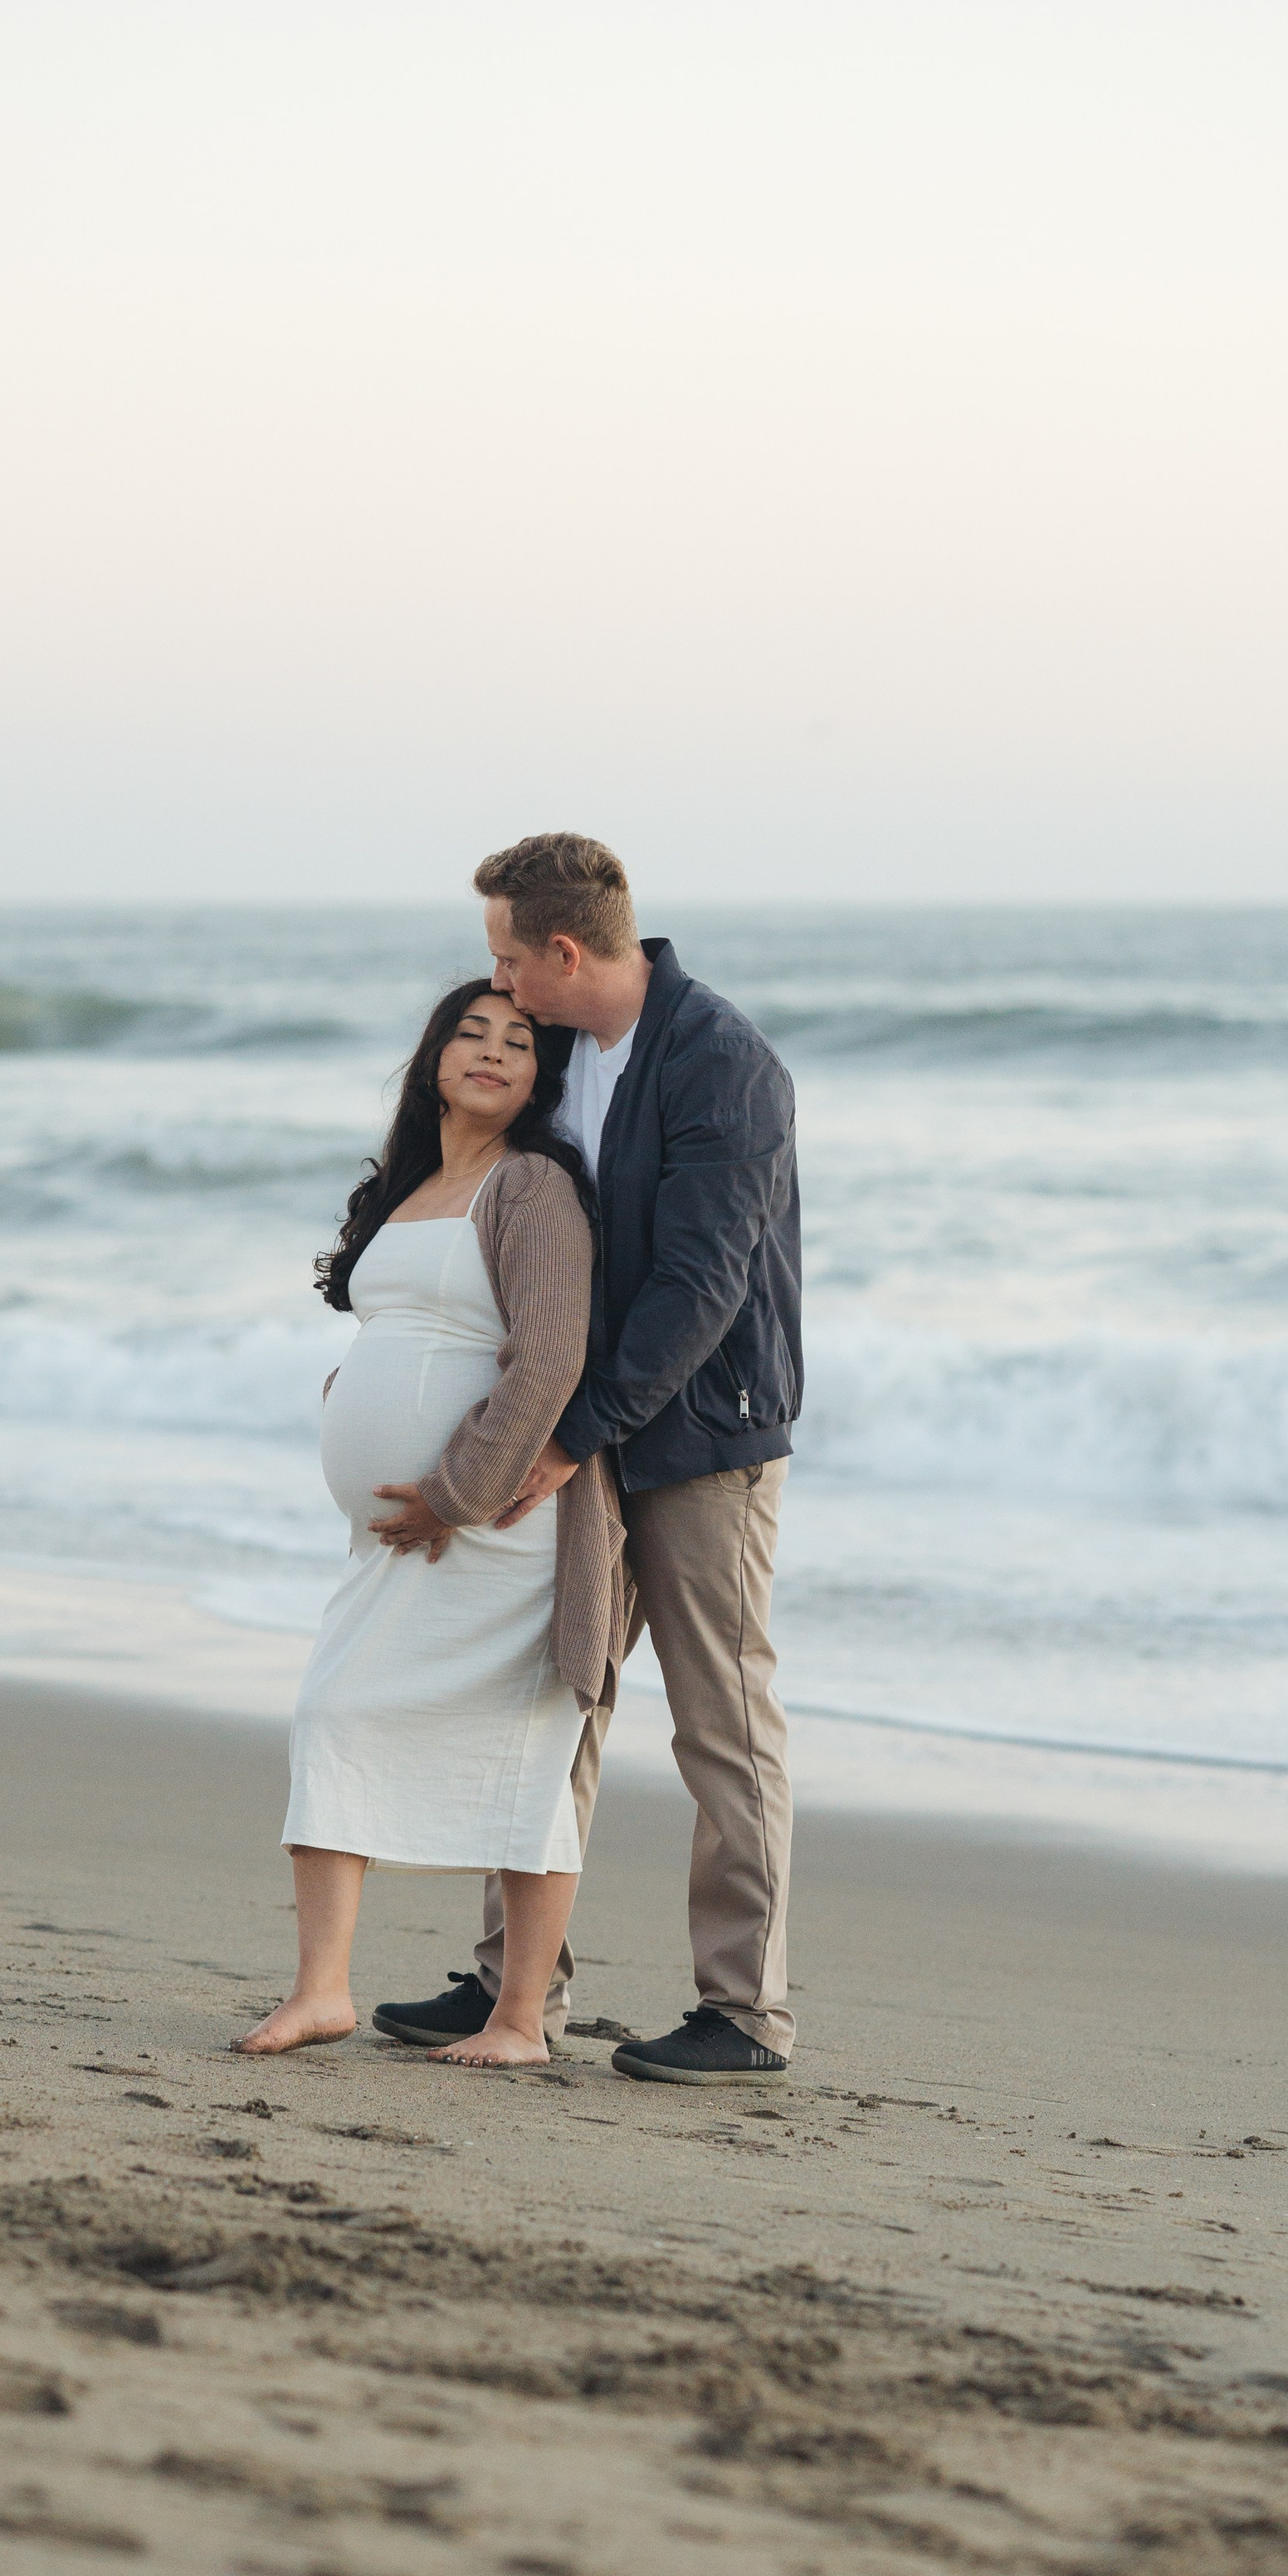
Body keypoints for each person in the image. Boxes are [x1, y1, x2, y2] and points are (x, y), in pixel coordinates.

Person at [372, 833, 803, 2085]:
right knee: (555, 1702)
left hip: (701, 1440)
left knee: (724, 1724)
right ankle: (519, 1987)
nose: (497, 982)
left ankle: (747, 2013)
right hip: (591, 1431)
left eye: (508, 955)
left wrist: (571, 1434)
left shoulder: (723, 1065)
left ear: (565, 951)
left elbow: (699, 1288)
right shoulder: (558, 1053)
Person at [236, 980, 627, 2067]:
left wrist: (456, 1490)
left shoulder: (534, 1184)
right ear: (433, 1056)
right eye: (473, 1033)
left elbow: (551, 1357)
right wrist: (351, 1392)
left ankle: (517, 2023)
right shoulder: (412, 1186)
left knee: (523, 1764)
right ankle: (322, 1991)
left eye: (519, 1042)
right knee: (333, 1717)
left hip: (498, 1530)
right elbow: (413, 1325)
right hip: (398, 1537)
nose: (494, 1053)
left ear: (542, 1075)